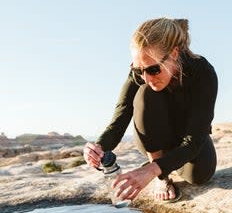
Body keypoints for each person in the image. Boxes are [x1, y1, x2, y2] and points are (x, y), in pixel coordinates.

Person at [83, 17, 218, 202]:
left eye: (153, 69)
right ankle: (161, 173)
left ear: (174, 54)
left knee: (200, 176)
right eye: (139, 70)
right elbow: (120, 118)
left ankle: (162, 164)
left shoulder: (202, 72)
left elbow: (194, 141)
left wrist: (149, 170)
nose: (145, 77)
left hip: (187, 139)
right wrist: (98, 148)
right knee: (145, 92)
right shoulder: (141, 73)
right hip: (153, 137)